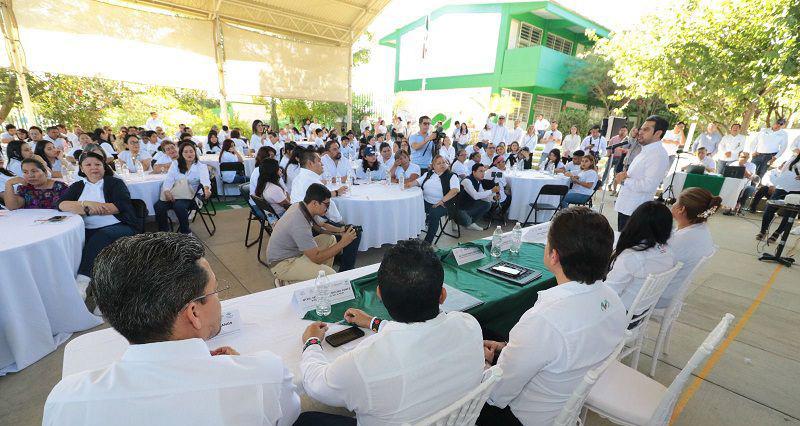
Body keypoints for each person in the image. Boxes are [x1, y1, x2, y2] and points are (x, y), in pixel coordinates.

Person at [43, 233, 301, 425]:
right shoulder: (265, 376)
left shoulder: (66, 399)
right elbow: (288, 417)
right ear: (194, 313)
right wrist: (243, 369)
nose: (219, 300)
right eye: (215, 291)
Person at [296, 239, 485, 426]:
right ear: (443, 295)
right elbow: (415, 333)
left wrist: (311, 342)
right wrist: (373, 322)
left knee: (305, 420)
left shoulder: (364, 361)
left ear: (379, 295)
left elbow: (316, 385)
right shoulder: (469, 325)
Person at [479, 207, 626, 426]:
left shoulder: (544, 320)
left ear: (554, 255)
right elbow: (556, 349)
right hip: (563, 404)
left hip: (521, 418)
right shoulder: (614, 300)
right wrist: (506, 348)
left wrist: (480, 364)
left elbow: (495, 395)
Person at [57, 152, 139, 283]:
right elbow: (61, 204)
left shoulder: (115, 183)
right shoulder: (77, 186)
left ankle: (83, 280)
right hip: (85, 227)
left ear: (104, 167)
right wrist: (88, 204)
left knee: (101, 236)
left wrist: (83, 209)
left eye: (98, 164)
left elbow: (120, 206)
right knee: (67, 240)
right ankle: (66, 280)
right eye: (88, 165)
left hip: (118, 224)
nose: (93, 167)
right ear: (82, 168)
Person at [267, 183, 359, 282]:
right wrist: (343, 242)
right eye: (327, 205)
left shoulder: (301, 206)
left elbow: (321, 225)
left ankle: (318, 278)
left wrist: (341, 231)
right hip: (283, 264)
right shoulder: (299, 223)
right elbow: (316, 257)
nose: (328, 209)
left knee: (330, 239)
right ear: (315, 203)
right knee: (331, 275)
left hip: (294, 252)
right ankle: (291, 281)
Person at [605, 201, 676, 309]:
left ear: (634, 223)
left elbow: (610, 292)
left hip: (620, 310)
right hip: (641, 309)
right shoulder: (669, 253)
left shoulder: (632, 257)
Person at [661, 188, 720, 308]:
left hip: (658, 295)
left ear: (681, 209)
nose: (673, 204)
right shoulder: (701, 229)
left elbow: (655, 265)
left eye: (676, 201)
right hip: (672, 290)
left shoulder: (681, 238)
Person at [614, 115, 670, 230]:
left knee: (627, 241)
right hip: (627, 207)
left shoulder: (658, 154)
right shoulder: (646, 150)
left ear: (658, 133)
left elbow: (649, 185)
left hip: (635, 211)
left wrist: (624, 180)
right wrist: (625, 175)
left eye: (646, 129)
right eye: (641, 129)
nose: (640, 132)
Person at [155, 142, 212, 235]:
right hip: (176, 194)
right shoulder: (175, 164)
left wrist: (206, 189)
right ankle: (164, 232)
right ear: (181, 154)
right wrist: (167, 191)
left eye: (191, 151)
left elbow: (205, 181)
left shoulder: (201, 166)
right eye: (185, 152)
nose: (189, 154)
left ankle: (186, 232)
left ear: (195, 152)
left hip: (193, 195)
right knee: (159, 206)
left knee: (179, 206)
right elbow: (169, 179)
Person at [406, 155, 460, 243]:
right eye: (439, 163)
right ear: (433, 166)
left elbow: (455, 190)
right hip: (426, 201)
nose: (442, 164)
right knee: (411, 206)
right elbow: (417, 182)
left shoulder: (452, 176)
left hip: (444, 204)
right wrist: (408, 185)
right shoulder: (429, 174)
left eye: (444, 162)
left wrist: (442, 201)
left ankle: (427, 242)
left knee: (434, 213)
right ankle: (413, 234)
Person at [290, 150, 345, 223]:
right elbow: (330, 208)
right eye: (319, 161)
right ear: (310, 163)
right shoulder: (313, 182)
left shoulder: (297, 178)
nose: (322, 164)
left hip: (298, 217)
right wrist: (340, 222)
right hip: (311, 222)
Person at [757, 153, 800, 242]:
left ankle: (777, 233)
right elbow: (783, 170)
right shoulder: (794, 157)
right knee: (769, 208)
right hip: (782, 186)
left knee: (789, 214)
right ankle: (763, 231)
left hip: (797, 189)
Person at [3, 158, 69, 210]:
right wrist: (8, 184)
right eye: (25, 172)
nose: (30, 175)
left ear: (45, 173)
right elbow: (12, 207)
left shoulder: (60, 187)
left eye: (34, 171)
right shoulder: (24, 189)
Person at [457, 163, 498, 230]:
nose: (483, 174)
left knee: (487, 204)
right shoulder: (467, 181)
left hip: (468, 205)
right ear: (474, 172)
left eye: (484, 171)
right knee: (467, 222)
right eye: (480, 171)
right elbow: (475, 196)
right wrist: (491, 191)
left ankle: (471, 222)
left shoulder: (478, 181)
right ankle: (459, 220)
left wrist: (493, 197)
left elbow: (482, 195)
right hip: (459, 208)